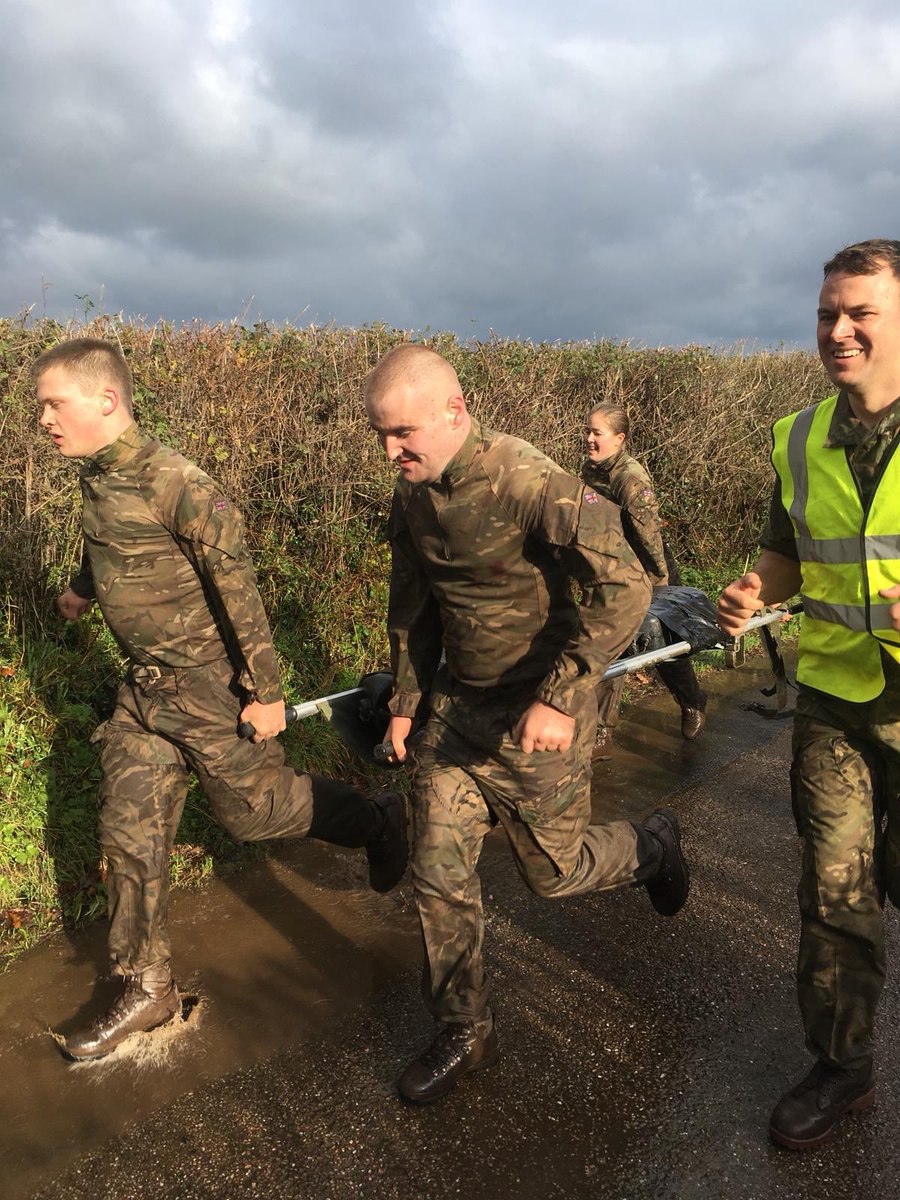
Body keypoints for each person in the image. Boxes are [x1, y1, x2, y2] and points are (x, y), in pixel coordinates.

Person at [38, 338, 408, 1061]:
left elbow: (238, 590)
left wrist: (266, 694)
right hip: (143, 693)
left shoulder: (180, 483)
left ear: (105, 399)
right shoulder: (98, 479)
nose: (44, 419)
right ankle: (146, 986)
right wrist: (82, 592)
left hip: (210, 690)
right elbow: (111, 543)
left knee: (256, 814)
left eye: (54, 403)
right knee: (129, 830)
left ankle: (376, 820)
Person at [365, 343, 691, 1105]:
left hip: (537, 718)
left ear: (454, 410)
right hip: (457, 719)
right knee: (436, 869)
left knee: (554, 873)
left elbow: (627, 585)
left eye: (402, 432)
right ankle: (463, 1027)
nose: (390, 452)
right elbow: (411, 609)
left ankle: (652, 847)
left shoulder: (529, 479)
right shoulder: (411, 497)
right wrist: (408, 705)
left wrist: (562, 694)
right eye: (379, 435)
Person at [718, 238, 900, 1150]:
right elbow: (788, 553)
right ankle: (842, 1068)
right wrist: (757, 592)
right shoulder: (797, 437)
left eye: (861, 312)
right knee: (835, 898)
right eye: (829, 312)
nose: (838, 330)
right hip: (834, 706)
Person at [582, 403, 707, 759]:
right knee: (612, 643)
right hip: (614, 567)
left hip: (650, 567)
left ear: (619, 439)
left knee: (661, 643)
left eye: (597, 433)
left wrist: (660, 586)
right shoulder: (592, 469)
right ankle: (602, 732)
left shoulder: (630, 477)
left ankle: (692, 700)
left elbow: (648, 535)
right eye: (588, 431)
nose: (590, 439)